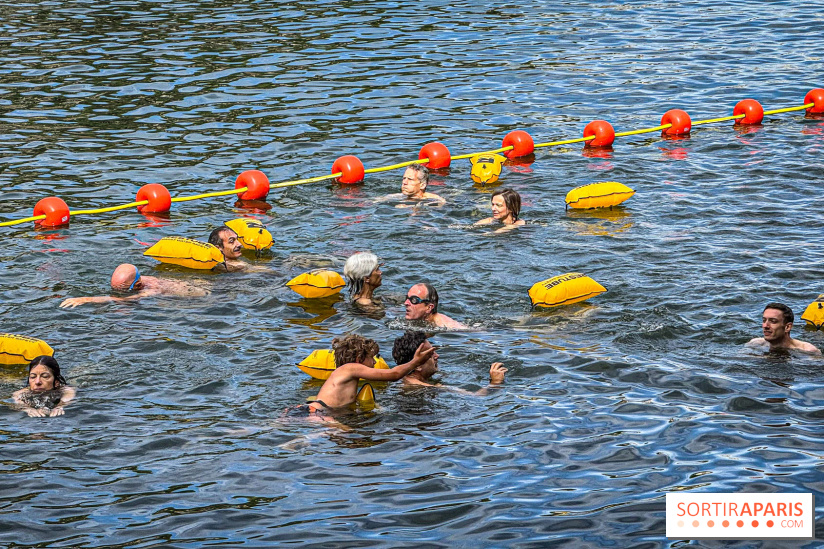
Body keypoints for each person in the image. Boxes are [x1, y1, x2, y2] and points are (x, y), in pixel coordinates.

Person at [293, 334, 435, 416]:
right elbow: (394, 374)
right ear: (359, 358)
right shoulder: (351, 368)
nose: (374, 362)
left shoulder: (347, 375)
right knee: (345, 433)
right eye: (371, 357)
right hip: (315, 412)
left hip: (312, 411)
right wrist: (416, 362)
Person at [392, 331, 506, 395]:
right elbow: (476, 397)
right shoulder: (427, 388)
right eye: (430, 354)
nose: (437, 356)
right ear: (417, 365)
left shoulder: (401, 380)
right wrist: (495, 383)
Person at [59, 263, 209, 308]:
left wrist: (86, 299)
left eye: (123, 289)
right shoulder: (138, 279)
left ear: (138, 285)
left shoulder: (152, 290)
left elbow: (121, 300)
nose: (118, 292)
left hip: (201, 298)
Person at [746, 302, 821, 354]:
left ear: (787, 327)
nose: (765, 326)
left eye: (773, 321)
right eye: (764, 320)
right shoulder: (755, 344)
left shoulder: (808, 351)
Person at [379, 164, 445, 206]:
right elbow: (378, 200)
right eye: (404, 178)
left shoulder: (435, 200)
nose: (404, 182)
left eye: (410, 179)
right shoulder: (398, 196)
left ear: (422, 185)